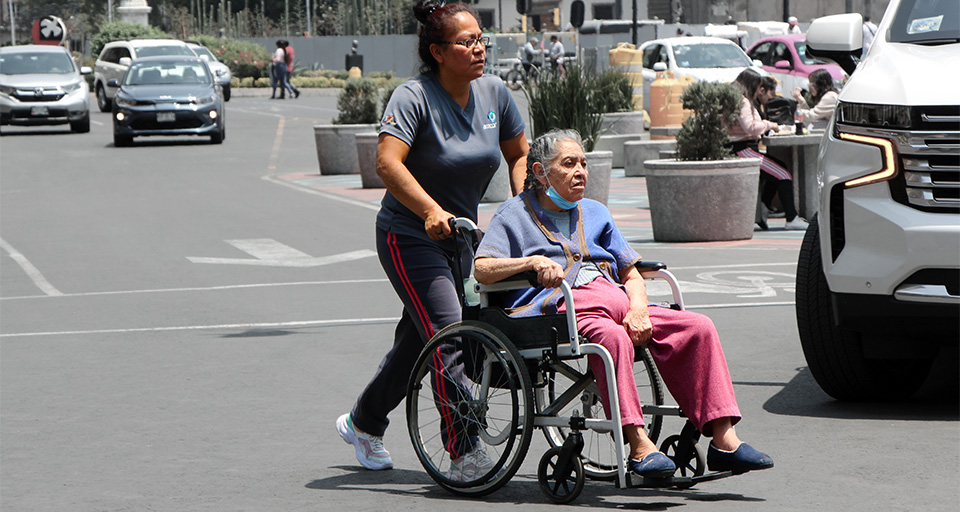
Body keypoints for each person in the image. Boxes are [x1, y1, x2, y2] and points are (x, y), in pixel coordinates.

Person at [473, 130, 775, 478]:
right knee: (612, 339)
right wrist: (530, 263)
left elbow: (631, 274)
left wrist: (639, 309)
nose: (581, 171)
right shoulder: (514, 214)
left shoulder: (596, 212)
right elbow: (483, 268)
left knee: (698, 327)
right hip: (563, 311)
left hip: (618, 302)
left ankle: (725, 441)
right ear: (540, 172)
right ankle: (639, 445)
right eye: (568, 164)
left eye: (584, 163)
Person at [336, 0, 530, 477]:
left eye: (482, 38)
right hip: (410, 235)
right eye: (467, 42)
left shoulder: (496, 94)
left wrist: (526, 213)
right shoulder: (413, 97)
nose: (479, 47)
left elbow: (520, 153)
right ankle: (462, 451)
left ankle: (363, 421)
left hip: (463, 241)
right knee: (448, 336)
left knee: (417, 341)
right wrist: (429, 210)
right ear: (438, 52)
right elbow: (388, 163)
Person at [728, 69, 808, 231]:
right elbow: (750, 127)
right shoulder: (742, 101)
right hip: (742, 150)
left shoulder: (737, 99)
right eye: (758, 87)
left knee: (780, 169)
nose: (759, 92)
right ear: (751, 85)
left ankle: (763, 209)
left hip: (743, 148)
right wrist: (770, 125)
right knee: (783, 175)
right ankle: (791, 219)